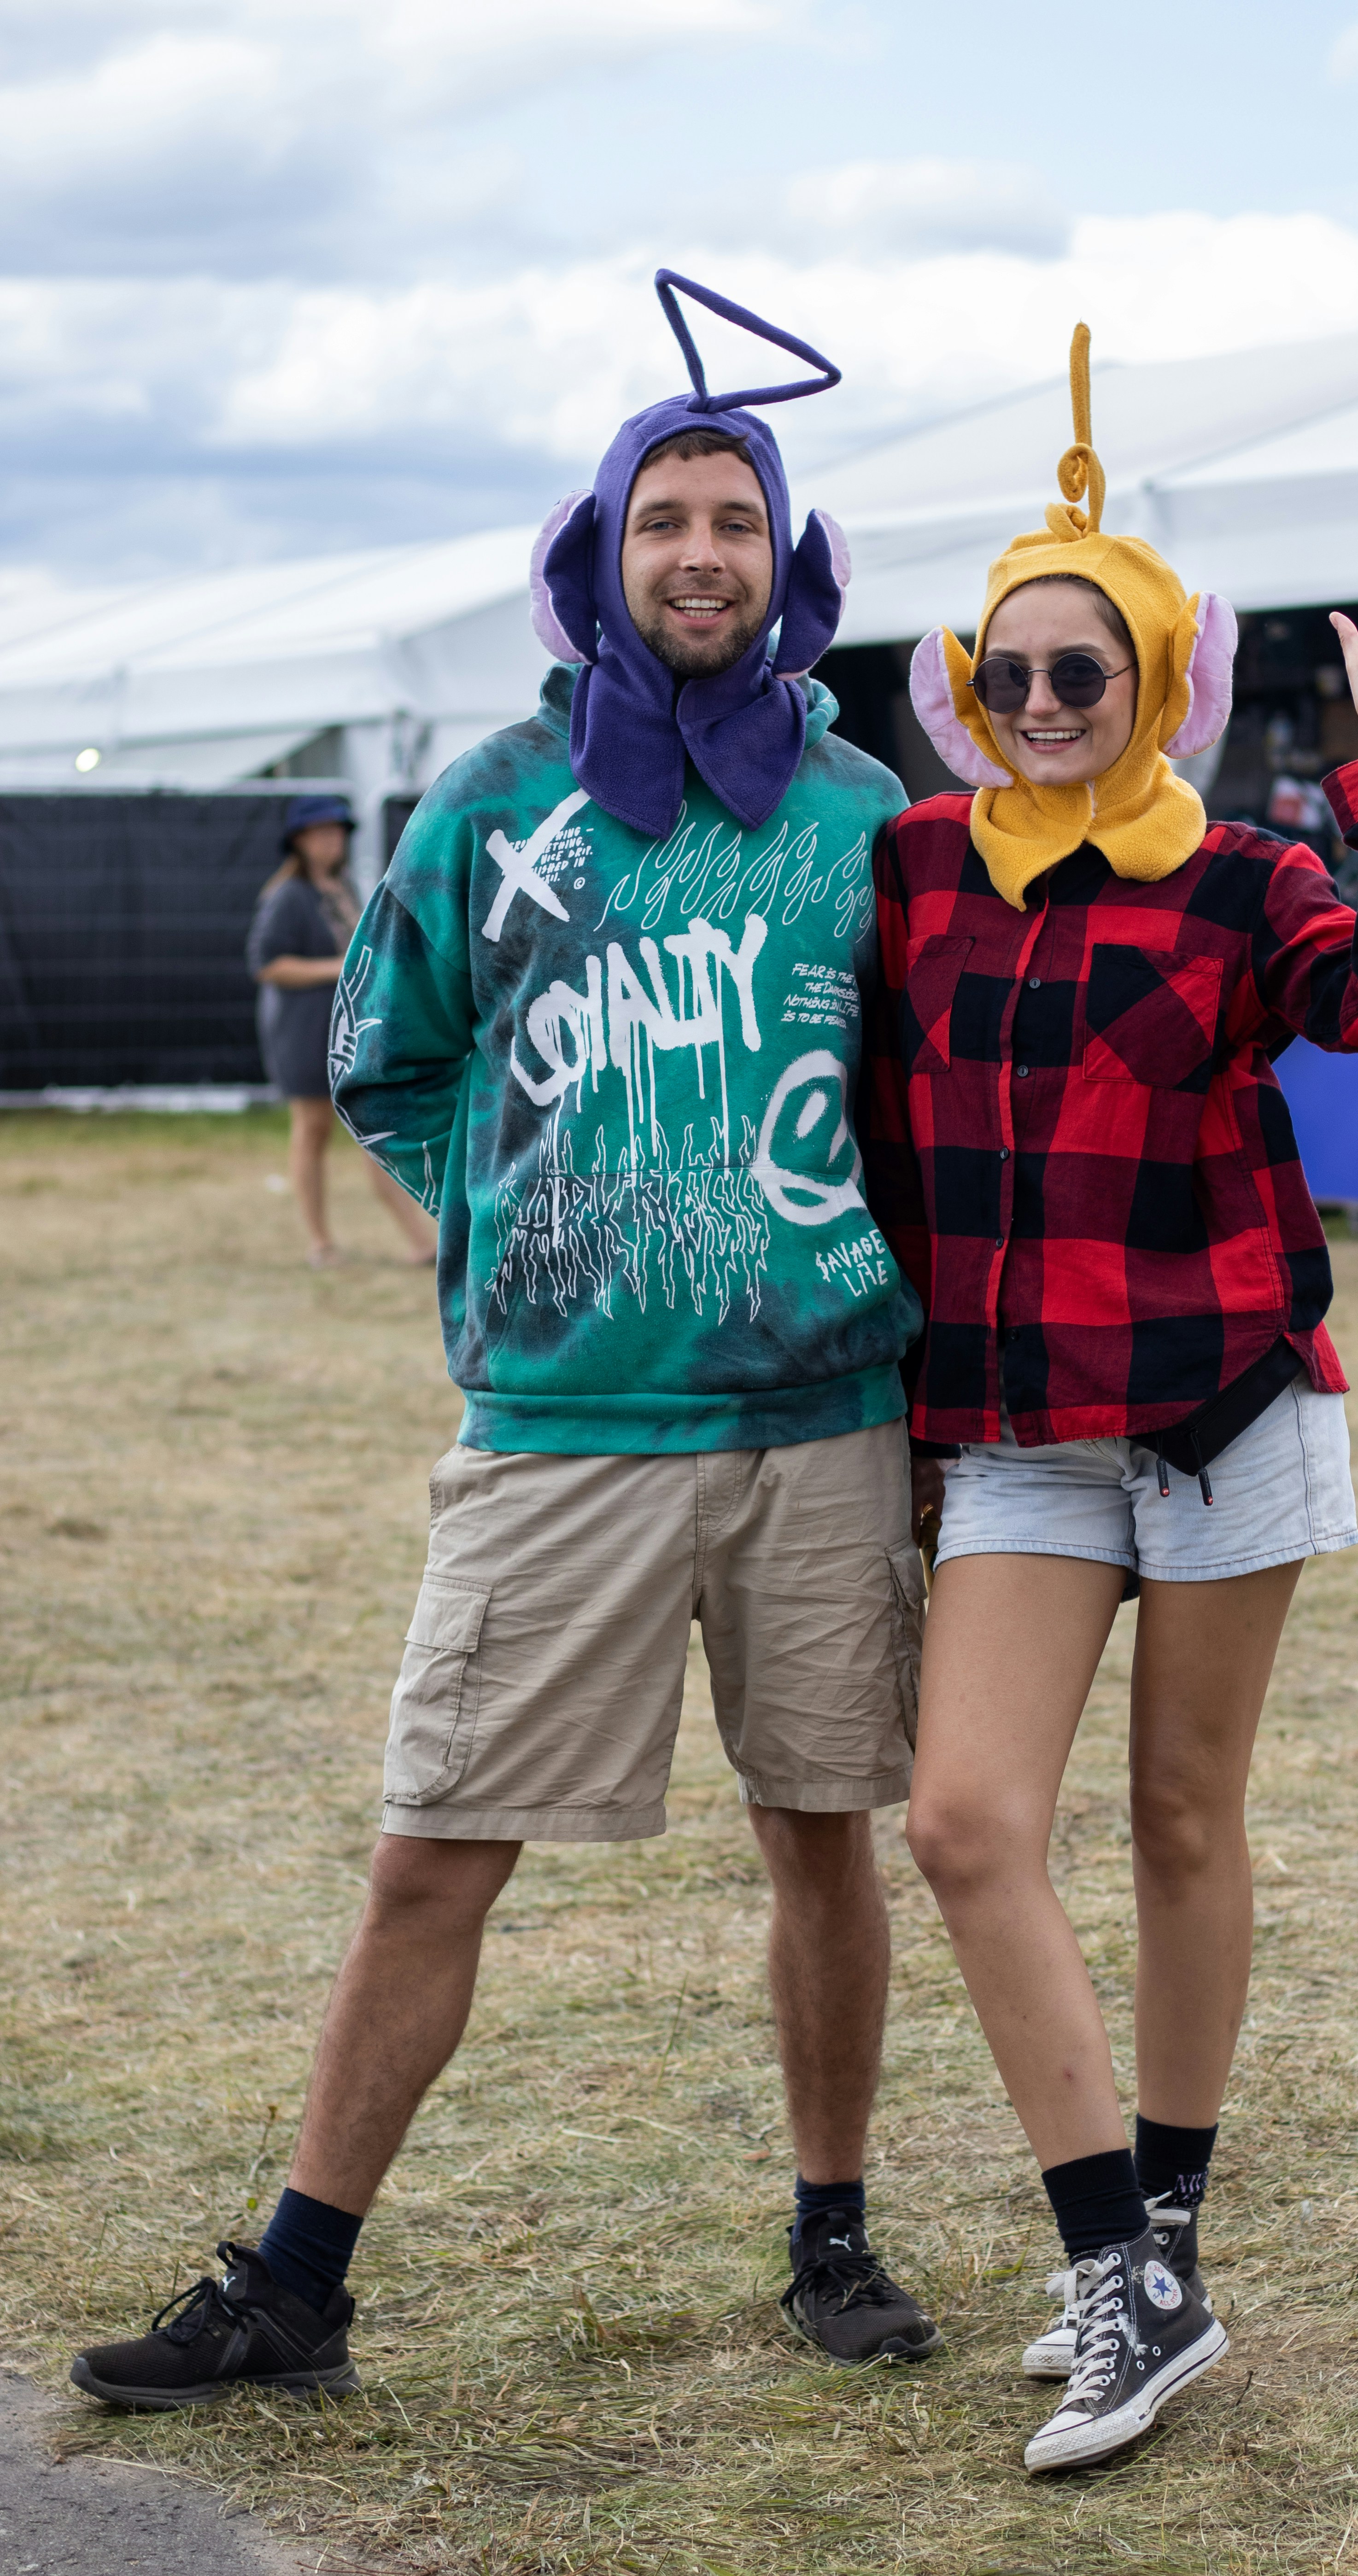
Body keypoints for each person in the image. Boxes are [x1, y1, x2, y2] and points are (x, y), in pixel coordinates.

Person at [71, 272, 940, 2411]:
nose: (701, 555)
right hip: (565, 1418)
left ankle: (832, 2236)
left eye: (735, 518)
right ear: (601, 552)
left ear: (787, 551)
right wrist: (514, 1226)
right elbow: (390, 1055)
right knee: (433, 1843)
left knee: (822, 1830)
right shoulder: (492, 796)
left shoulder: (864, 816)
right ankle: (294, 2279)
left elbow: (926, 1097)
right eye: (665, 520)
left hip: (827, 1410)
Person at [860, 327, 1358, 2474]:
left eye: (1085, 671)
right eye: (1010, 673)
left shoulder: (1235, 875)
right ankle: (1117, 2261)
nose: (1047, 705)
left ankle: (1169, 2245)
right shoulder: (919, 866)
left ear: (1150, 680)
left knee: (1182, 1817)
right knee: (962, 1822)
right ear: (964, 685)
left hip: (1221, 1403)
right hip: (1019, 1421)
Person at [247, 794, 438, 1269]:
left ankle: (421, 1241)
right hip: (303, 1028)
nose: (332, 840)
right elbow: (267, 965)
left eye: (338, 831)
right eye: (321, 832)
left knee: (372, 1128)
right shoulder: (287, 897)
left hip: (348, 1027)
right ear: (300, 841)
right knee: (312, 1129)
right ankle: (320, 1242)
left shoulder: (344, 889)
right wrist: (339, 968)